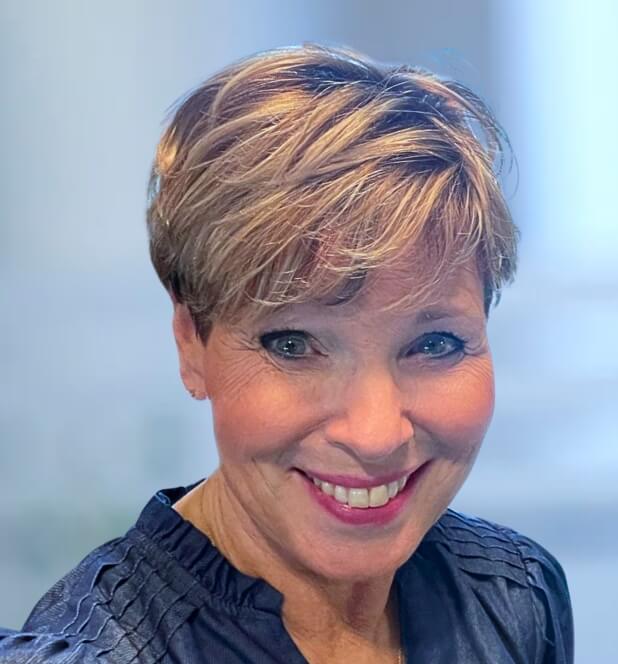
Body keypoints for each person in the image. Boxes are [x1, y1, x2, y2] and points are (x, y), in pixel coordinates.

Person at [0, 44, 572, 663]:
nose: (376, 435)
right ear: (192, 342)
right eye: (294, 345)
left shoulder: (515, 597)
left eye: (434, 344)